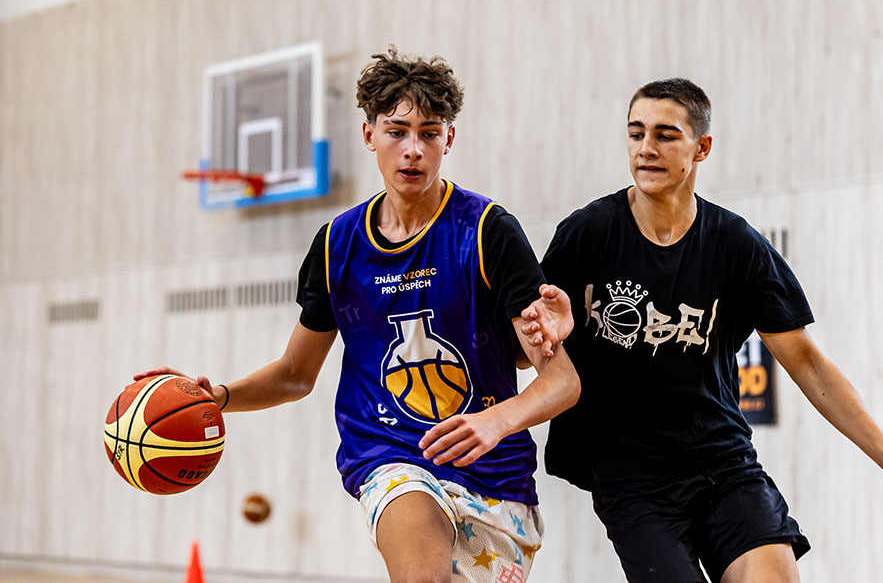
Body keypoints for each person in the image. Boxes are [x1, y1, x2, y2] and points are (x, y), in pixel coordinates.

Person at [137, 47, 579, 583]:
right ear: (369, 135)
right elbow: (296, 374)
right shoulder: (337, 246)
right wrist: (219, 398)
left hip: (496, 476)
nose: (413, 149)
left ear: (449, 139)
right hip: (392, 456)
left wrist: (495, 421)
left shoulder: (487, 230)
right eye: (397, 131)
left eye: (429, 132)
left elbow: (561, 382)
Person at [521, 78, 883, 583]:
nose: (646, 149)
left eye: (665, 135)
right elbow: (527, 355)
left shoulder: (736, 246)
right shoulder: (588, 234)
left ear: (701, 147)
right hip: (634, 482)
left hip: (723, 464)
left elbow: (806, 362)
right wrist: (545, 334)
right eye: (636, 134)